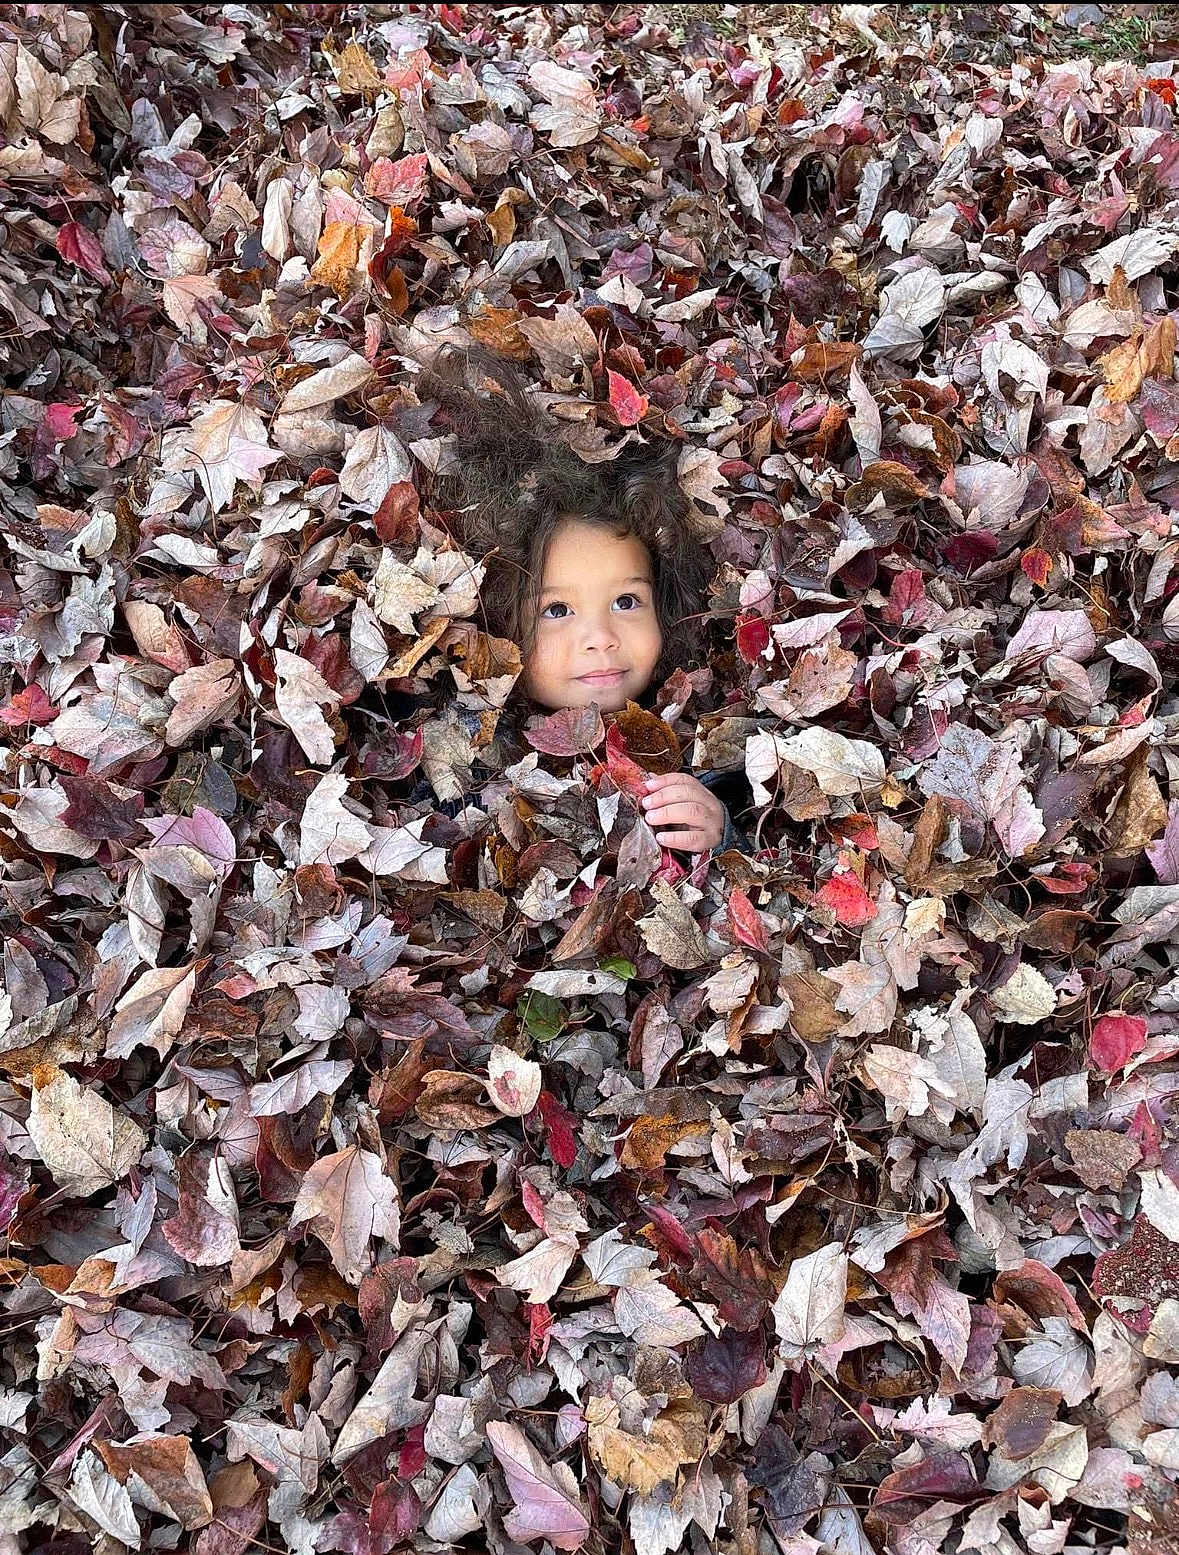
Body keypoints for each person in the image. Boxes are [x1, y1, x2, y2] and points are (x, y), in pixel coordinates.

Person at [394, 348, 756, 859]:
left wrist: (718, 833)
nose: (601, 637)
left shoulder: (707, 741)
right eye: (557, 611)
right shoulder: (456, 770)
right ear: (495, 630)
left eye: (627, 600)